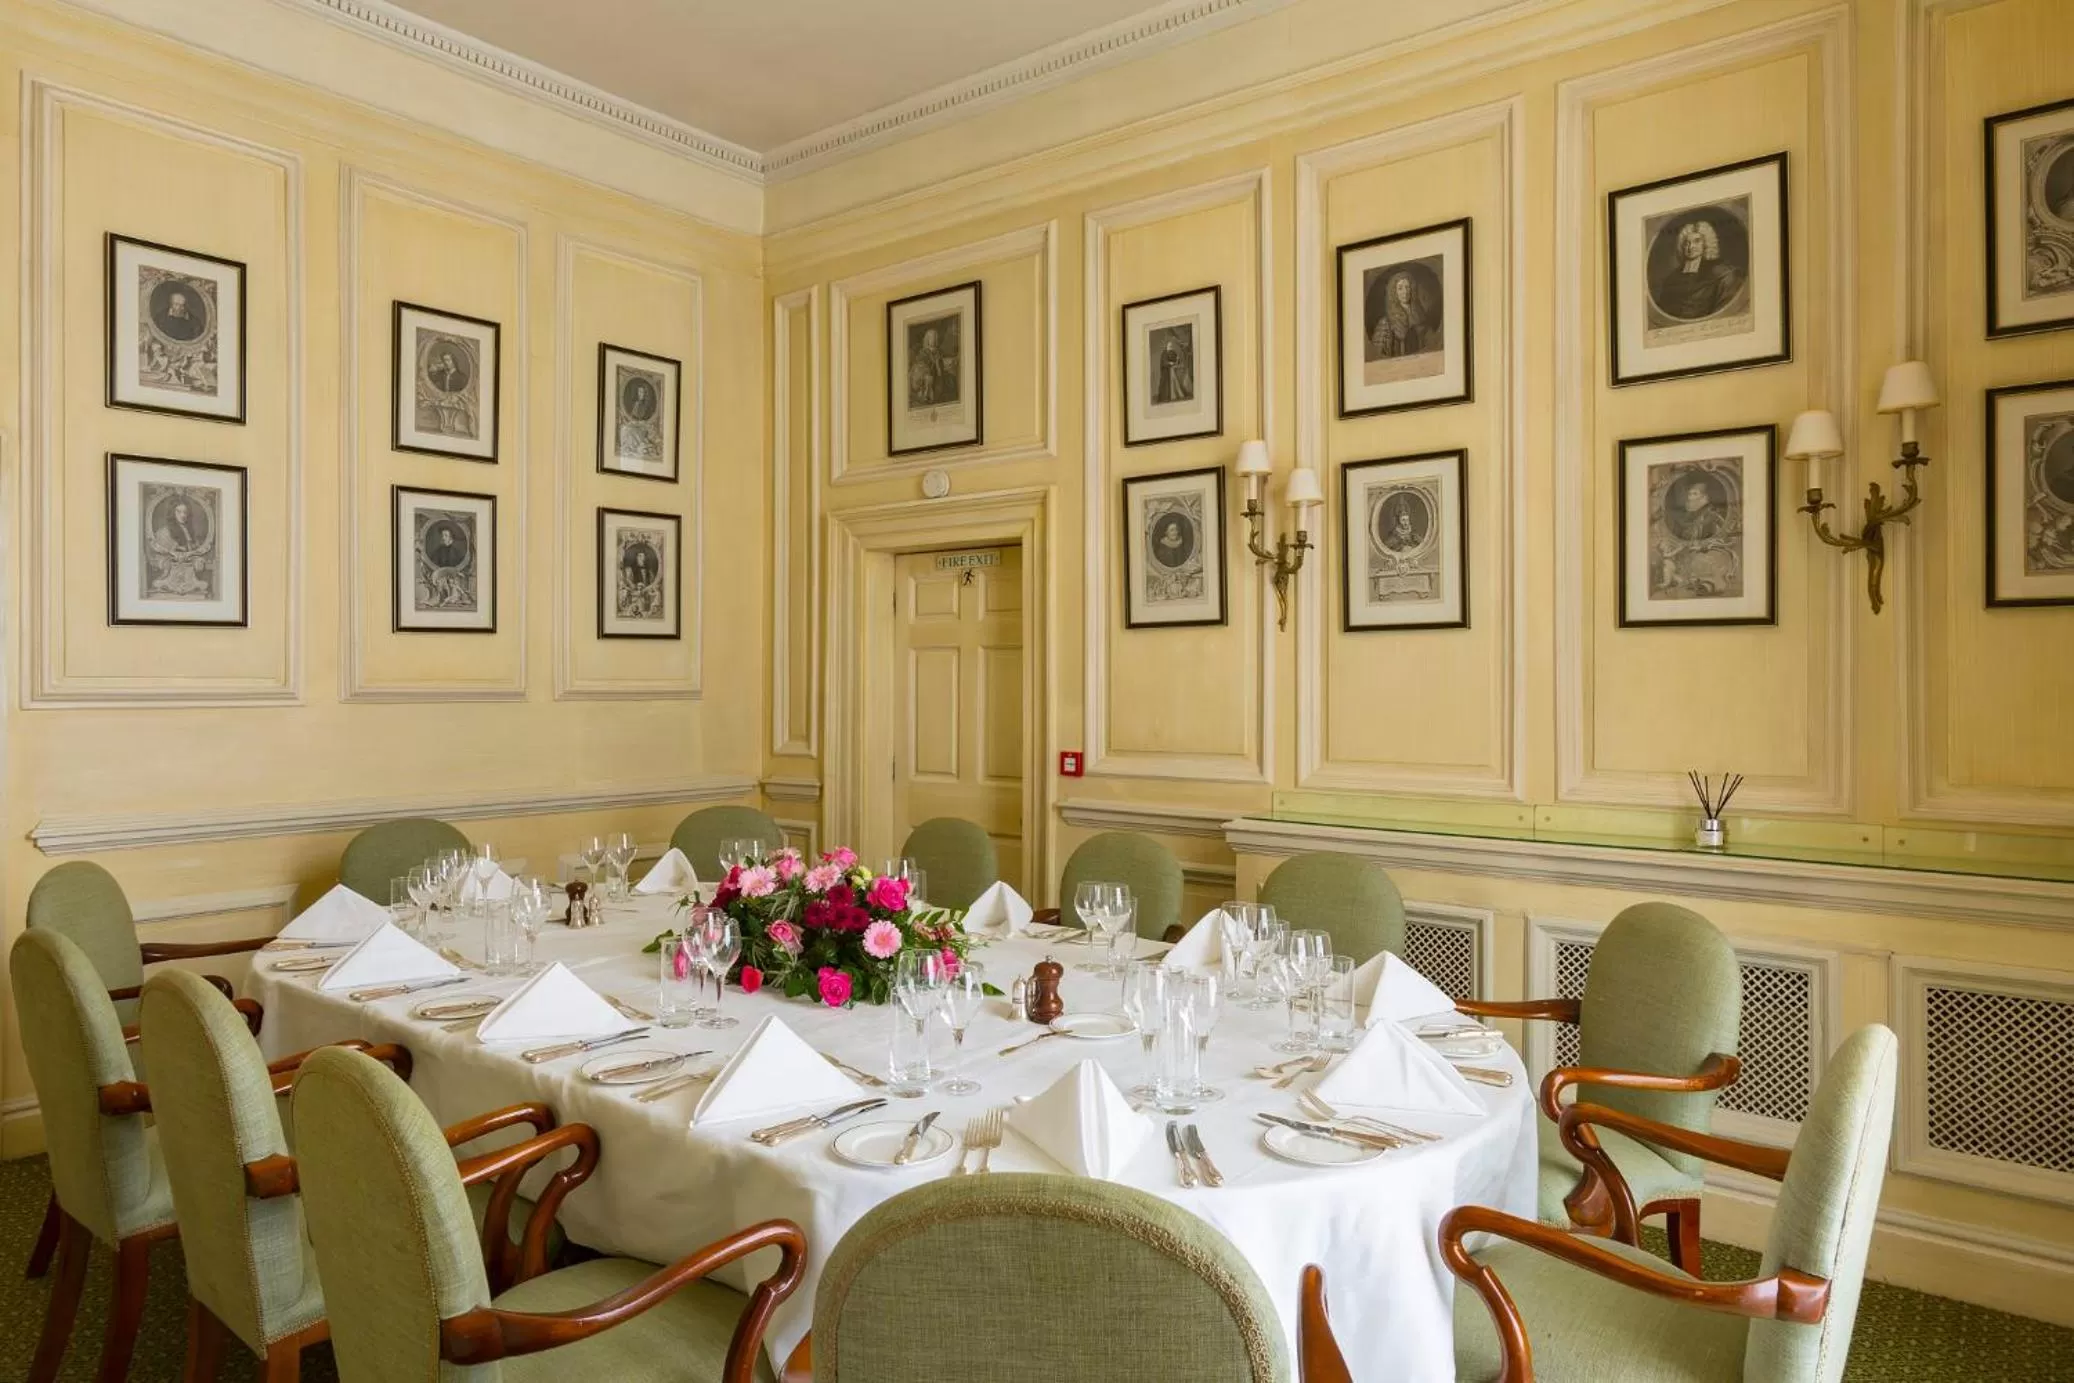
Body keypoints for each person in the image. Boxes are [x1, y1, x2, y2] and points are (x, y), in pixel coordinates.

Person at [1651, 217, 1744, 321]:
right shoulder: (1671, 279)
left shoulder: (1719, 273)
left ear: (1705, 244)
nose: (1691, 247)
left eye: (1697, 241)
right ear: (1682, 246)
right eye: (1687, 243)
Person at [1369, 270, 1439, 358]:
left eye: (1407, 287)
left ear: (1412, 290)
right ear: (1394, 292)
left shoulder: (1420, 317)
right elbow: (1378, 355)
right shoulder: (1385, 323)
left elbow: (1432, 346)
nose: (1405, 292)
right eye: (1400, 288)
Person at [1153, 331, 1192, 404]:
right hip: (1165, 372)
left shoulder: (1171, 352)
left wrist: (1177, 359)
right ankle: (1165, 398)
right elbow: (1164, 362)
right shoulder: (1164, 353)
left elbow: (1175, 359)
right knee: (1165, 385)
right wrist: (1170, 363)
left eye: (1171, 346)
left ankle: (1173, 396)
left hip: (1170, 371)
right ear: (1167, 346)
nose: (1170, 348)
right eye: (1169, 346)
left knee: (1173, 383)